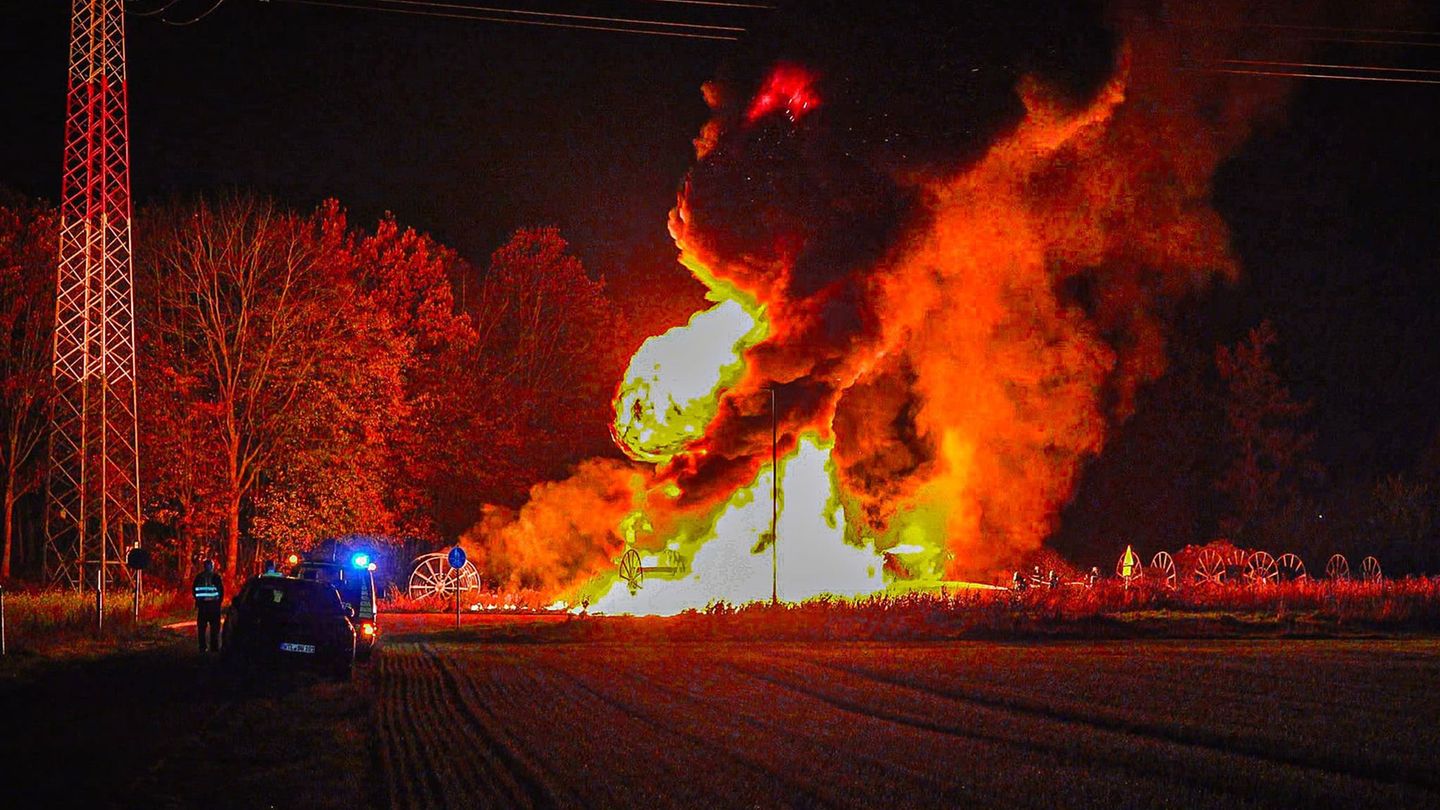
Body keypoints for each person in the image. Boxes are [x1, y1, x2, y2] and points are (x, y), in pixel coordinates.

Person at [192, 559, 224, 652]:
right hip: (214, 606)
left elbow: (194, 590)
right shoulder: (216, 577)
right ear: (212, 566)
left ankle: (202, 647)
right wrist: (219, 603)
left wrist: (198, 600)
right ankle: (214, 647)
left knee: (201, 628)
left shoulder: (199, 577)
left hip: (202, 606)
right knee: (215, 627)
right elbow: (221, 591)